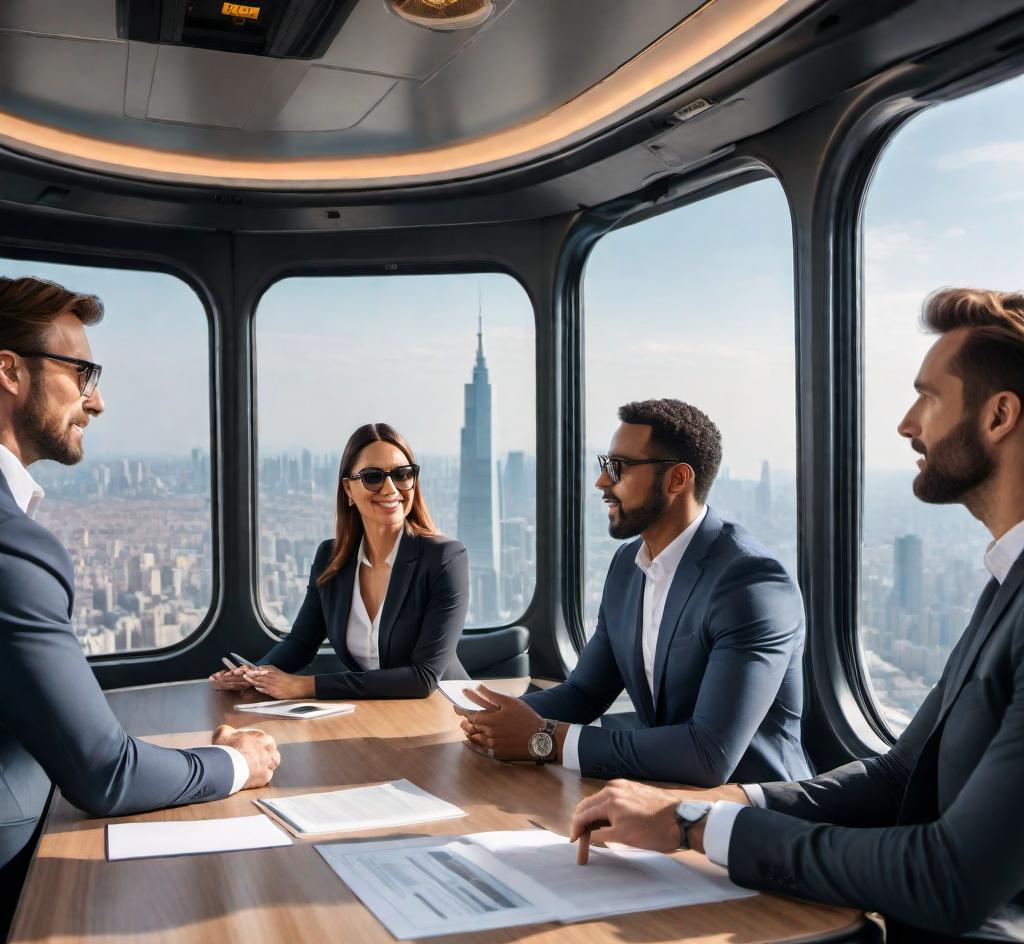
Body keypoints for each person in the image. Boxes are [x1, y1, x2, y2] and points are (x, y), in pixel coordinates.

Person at [570, 288, 1024, 944]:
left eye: (928, 401)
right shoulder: (1005, 585)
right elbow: (899, 773)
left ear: (999, 416)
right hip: (926, 942)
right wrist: (711, 806)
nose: (907, 424)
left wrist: (697, 829)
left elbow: (953, 876)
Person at [0, 276, 280, 887]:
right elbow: (104, 773)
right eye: (82, 375)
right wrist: (237, 762)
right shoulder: (13, 544)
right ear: (10, 371)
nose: (96, 403)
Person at [460, 398, 812, 786]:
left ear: (677, 479)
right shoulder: (628, 566)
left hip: (753, 816)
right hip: (657, 796)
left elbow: (709, 753)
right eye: (603, 465)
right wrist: (496, 718)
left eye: (618, 468)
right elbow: (584, 692)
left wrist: (546, 740)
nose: (602, 483)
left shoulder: (751, 583)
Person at [211, 422, 470, 700]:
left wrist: (305, 686)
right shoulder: (331, 558)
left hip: (446, 710)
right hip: (373, 713)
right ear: (348, 489)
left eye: (402, 475)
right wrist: (253, 676)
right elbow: (301, 643)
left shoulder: (445, 559)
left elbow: (423, 678)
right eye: (373, 477)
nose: (391, 488)